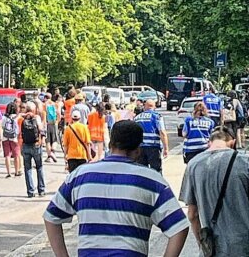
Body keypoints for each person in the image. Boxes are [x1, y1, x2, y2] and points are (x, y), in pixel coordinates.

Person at [44, 120, 189, 257]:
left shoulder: (80, 176)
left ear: (110, 144)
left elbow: (51, 217)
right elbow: (179, 228)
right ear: (138, 150)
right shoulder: (152, 180)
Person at [180, 126, 249, 256]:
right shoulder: (244, 163)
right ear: (233, 142)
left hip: (213, 248)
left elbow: (192, 214)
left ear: (209, 142)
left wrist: (202, 245)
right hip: (242, 246)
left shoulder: (193, 165)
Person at [134, 99, 168, 174]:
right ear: (154, 106)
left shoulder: (137, 118)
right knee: (156, 170)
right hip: (153, 147)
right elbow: (162, 132)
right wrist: (166, 148)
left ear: (145, 107)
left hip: (140, 148)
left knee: (142, 171)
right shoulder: (156, 116)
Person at [21, 103, 45, 198]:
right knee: (39, 167)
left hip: (26, 145)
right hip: (36, 145)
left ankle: (30, 191)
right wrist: (41, 140)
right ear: (34, 109)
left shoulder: (23, 119)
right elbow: (41, 129)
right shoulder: (36, 118)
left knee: (27, 169)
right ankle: (41, 190)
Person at [2, 102, 21, 178]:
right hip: (14, 138)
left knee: (7, 155)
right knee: (16, 155)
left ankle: (9, 172)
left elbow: (2, 126)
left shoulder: (4, 117)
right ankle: (16, 171)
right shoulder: (17, 117)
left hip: (5, 137)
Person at [43, 93, 60, 163]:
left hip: (47, 123)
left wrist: (44, 123)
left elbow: (43, 115)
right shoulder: (55, 104)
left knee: (48, 141)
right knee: (55, 140)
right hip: (54, 123)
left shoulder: (44, 105)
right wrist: (57, 122)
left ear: (45, 98)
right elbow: (58, 114)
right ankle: (53, 152)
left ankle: (49, 156)